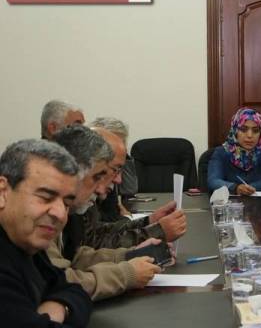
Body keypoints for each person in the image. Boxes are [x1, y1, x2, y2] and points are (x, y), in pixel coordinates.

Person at [47, 125, 162, 301]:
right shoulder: (44, 214)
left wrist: (130, 256)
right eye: (97, 177)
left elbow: (74, 257)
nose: (101, 189)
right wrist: (127, 274)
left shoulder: (67, 210)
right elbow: (60, 283)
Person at [0, 139, 92, 327]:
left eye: (66, 203)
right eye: (45, 197)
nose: (60, 214)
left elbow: (75, 291)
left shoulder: (26, 242)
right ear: (2, 192)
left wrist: (59, 306)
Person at [84, 126, 187, 249]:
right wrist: (157, 232)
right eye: (115, 169)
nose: (119, 180)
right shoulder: (76, 204)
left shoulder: (84, 203)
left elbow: (98, 233)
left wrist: (149, 221)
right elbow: (93, 245)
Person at [208, 107, 261, 195]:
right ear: (235, 131)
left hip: (260, 202)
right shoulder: (221, 152)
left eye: (255, 131)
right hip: (232, 202)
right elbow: (213, 181)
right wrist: (235, 188)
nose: (250, 135)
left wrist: (247, 188)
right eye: (243, 129)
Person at [89, 117, 138, 221]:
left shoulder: (111, 175)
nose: (118, 179)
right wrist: (126, 218)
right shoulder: (87, 187)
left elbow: (130, 189)